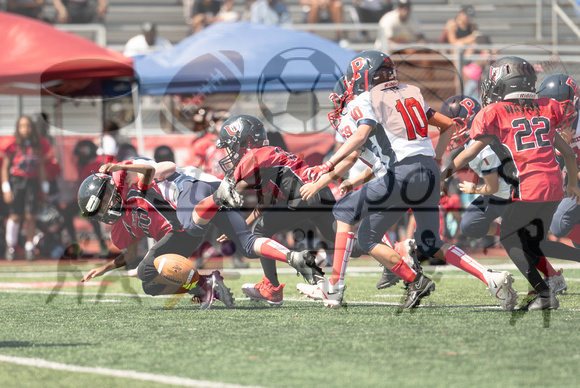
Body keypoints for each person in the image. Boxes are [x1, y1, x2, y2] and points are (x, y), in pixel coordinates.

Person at [300, 50, 519, 311]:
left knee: (344, 210)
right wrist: (436, 163)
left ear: (363, 77)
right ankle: (491, 279)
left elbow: (361, 135)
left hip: (401, 173)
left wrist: (328, 163)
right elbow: (448, 125)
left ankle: (333, 287)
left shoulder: (365, 98)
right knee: (411, 240)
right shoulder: (409, 91)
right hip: (426, 172)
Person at [441, 57, 580, 310]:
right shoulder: (546, 106)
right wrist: (573, 186)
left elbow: (470, 153)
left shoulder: (494, 112)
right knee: (532, 241)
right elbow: (569, 154)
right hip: (554, 188)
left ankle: (544, 293)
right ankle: (546, 286)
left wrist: (443, 174)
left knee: (509, 237)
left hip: (528, 188)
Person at [78, 159, 323, 302]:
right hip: (187, 225)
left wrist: (121, 166)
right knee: (149, 284)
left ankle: (219, 198)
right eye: (99, 209)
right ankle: (207, 284)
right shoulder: (120, 225)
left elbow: (160, 168)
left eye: (104, 200)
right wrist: (104, 268)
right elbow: (130, 255)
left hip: (191, 208)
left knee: (202, 231)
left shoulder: (134, 185)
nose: (104, 210)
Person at [215, 114, 339, 306]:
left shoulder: (254, 155)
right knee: (342, 241)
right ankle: (387, 252)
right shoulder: (270, 157)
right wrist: (243, 224)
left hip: (302, 196)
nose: (231, 151)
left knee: (260, 231)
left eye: (232, 145)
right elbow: (265, 203)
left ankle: (271, 288)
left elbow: (232, 190)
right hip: (319, 192)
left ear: (244, 141)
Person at [2, 116, 52, 261]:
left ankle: (29, 247)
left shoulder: (39, 145)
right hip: (16, 182)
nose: (26, 129)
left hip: (32, 182)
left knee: (31, 216)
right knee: (15, 216)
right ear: (18, 128)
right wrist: (6, 188)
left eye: (28, 126)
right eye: (22, 126)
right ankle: (10, 246)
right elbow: (5, 168)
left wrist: (45, 188)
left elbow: (41, 168)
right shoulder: (12, 144)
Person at [539, 74, 580, 248]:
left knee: (559, 221)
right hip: (572, 181)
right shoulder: (545, 126)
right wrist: (559, 148)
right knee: (559, 223)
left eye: (562, 107)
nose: (557, 114)